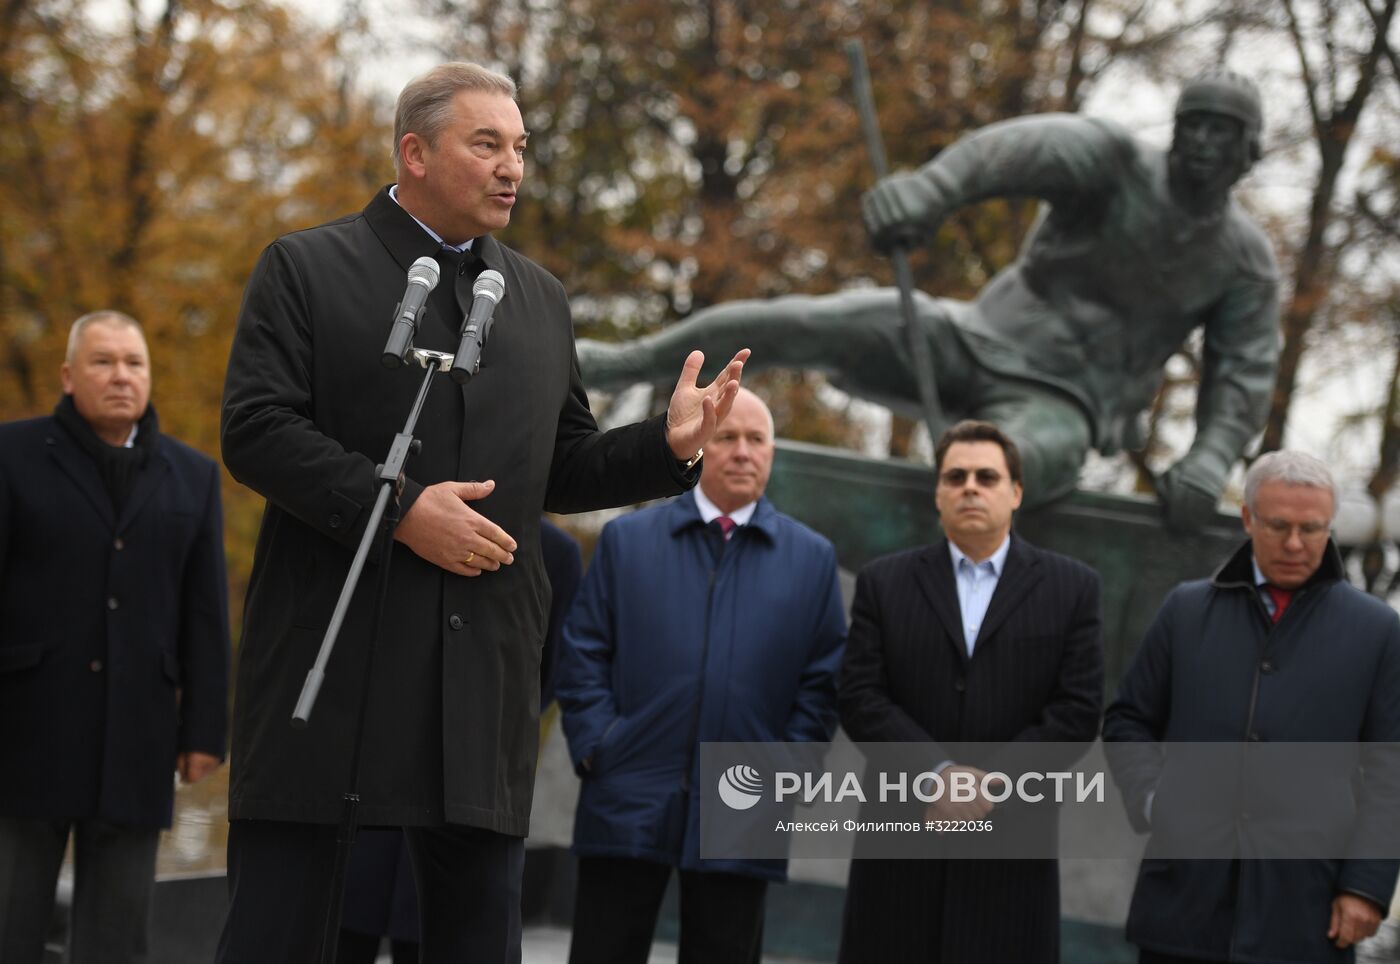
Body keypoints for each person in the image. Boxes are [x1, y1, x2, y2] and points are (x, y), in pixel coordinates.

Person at [217, 62, 747, 963]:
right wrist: (398, 511)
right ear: (414, 153)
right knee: (282, 934)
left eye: (521, 148)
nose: (513, 168)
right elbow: (256, 430)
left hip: (480, 686)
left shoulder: (537, 299)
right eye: (487, 144)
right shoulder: (307, 267)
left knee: (473, 941)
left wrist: (667, 446)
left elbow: (562, 467)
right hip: (337, 666)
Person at [577, 69, 1279, 529]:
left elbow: (1242, 375)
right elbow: (1013, 152)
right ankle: (624, 362)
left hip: (1064, 403)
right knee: (802, 322)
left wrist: (1211, 457)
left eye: (1226, 133)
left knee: (996, 474)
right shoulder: (1113, 161)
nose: (1206, 144)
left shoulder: (1242, 263)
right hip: (969, 336)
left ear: (1251, 153)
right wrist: (931, 191)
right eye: (1197, 124)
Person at [554, 387, 846, 964]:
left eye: (757, 440)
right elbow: (583, 652)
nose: (742, 452)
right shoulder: (627, 540)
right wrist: (598, 747)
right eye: (727, 436)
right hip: (627, 793)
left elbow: (823, 682)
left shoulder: (812, 559)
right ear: (702, 445)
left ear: (772, 454)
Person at [1103, 451, 1400, 963]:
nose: (1294, 543)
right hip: (1184, 902)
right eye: (1278, 525)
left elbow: (1390, 766)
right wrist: (1153, 800)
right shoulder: (1186, 610)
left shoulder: (1377, 630)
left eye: (1312, 528)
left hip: (1307, 913)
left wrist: (1367, 885)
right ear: (1247, 518)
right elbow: (1128, 719)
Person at [0, 310, 230, 963]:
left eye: (134, 363)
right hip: (24, 734)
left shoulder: (193, 475)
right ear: (70, 376)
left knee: (116, 942)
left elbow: (206, 613)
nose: (121, 376)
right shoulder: (11, 456)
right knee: (8, 929)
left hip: (138, 736)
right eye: (103, 362)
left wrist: (205, 731)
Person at [836, 419, 1103, 963]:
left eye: (987, 476)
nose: (971, 487)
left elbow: (1076, 711)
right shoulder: (884, 582)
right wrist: (937, 775)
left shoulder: (1072, 587)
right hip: (900, 847)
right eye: (955, 476)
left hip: (1011, 854)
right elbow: (861, 696)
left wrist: (993, 782)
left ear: (1016, 492)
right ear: (938, 492)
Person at [336, 518, 582, 964]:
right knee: (346, 927)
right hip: (377, 768)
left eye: (753, 440)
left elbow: (545, 672)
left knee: (729, 890)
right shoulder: (412, 516)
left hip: (467, 777)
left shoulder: (558, 551)